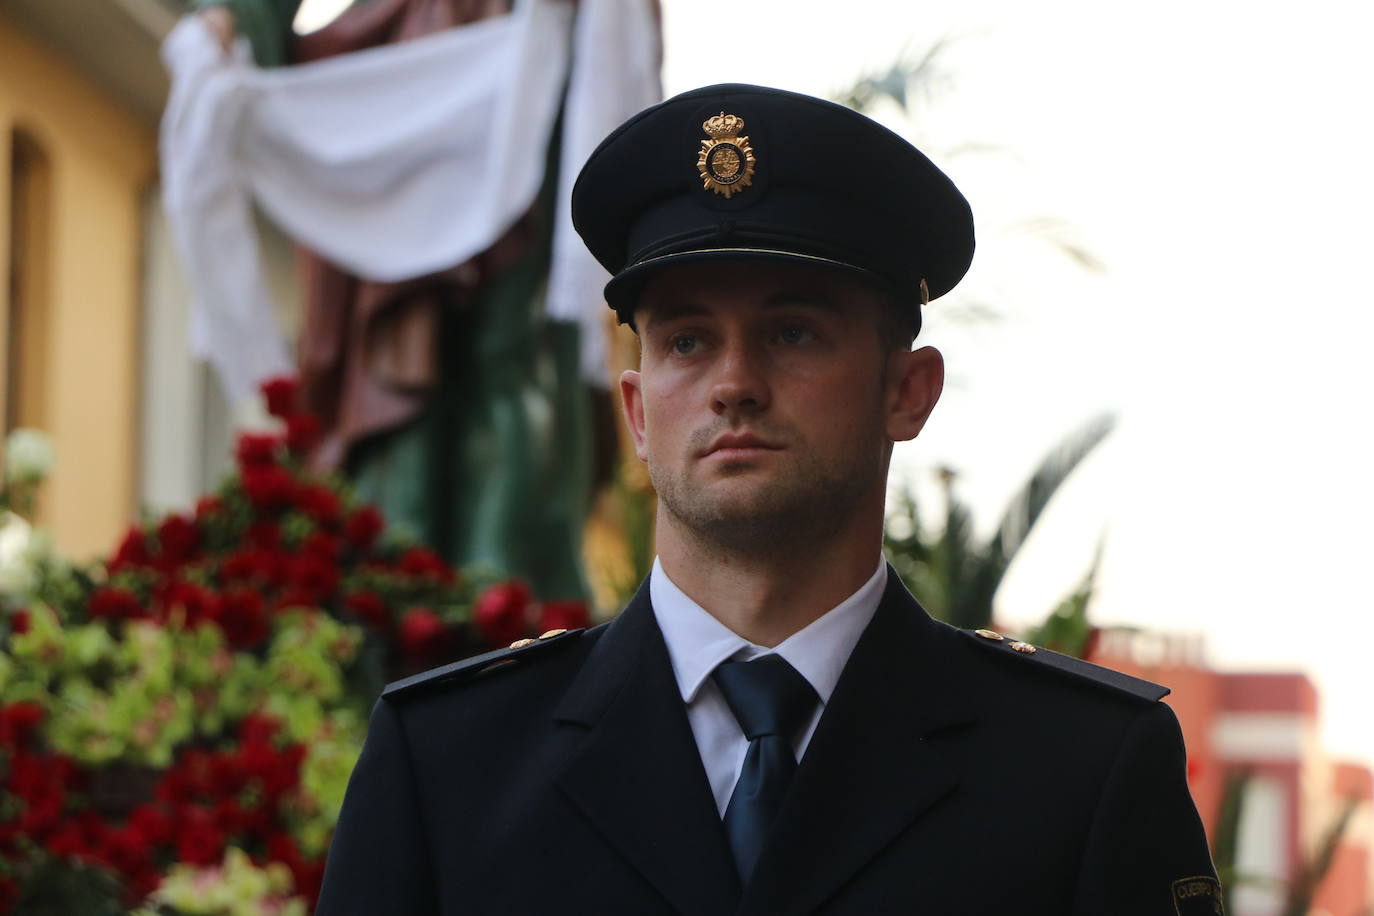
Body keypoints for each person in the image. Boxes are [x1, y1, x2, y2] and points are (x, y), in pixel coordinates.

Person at [315, 83, 1223, 916]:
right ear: (636, 410)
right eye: (686, 341)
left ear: (907, 391)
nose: (734, 384)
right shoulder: (450, 762)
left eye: (792, 332)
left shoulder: (1078, 765)